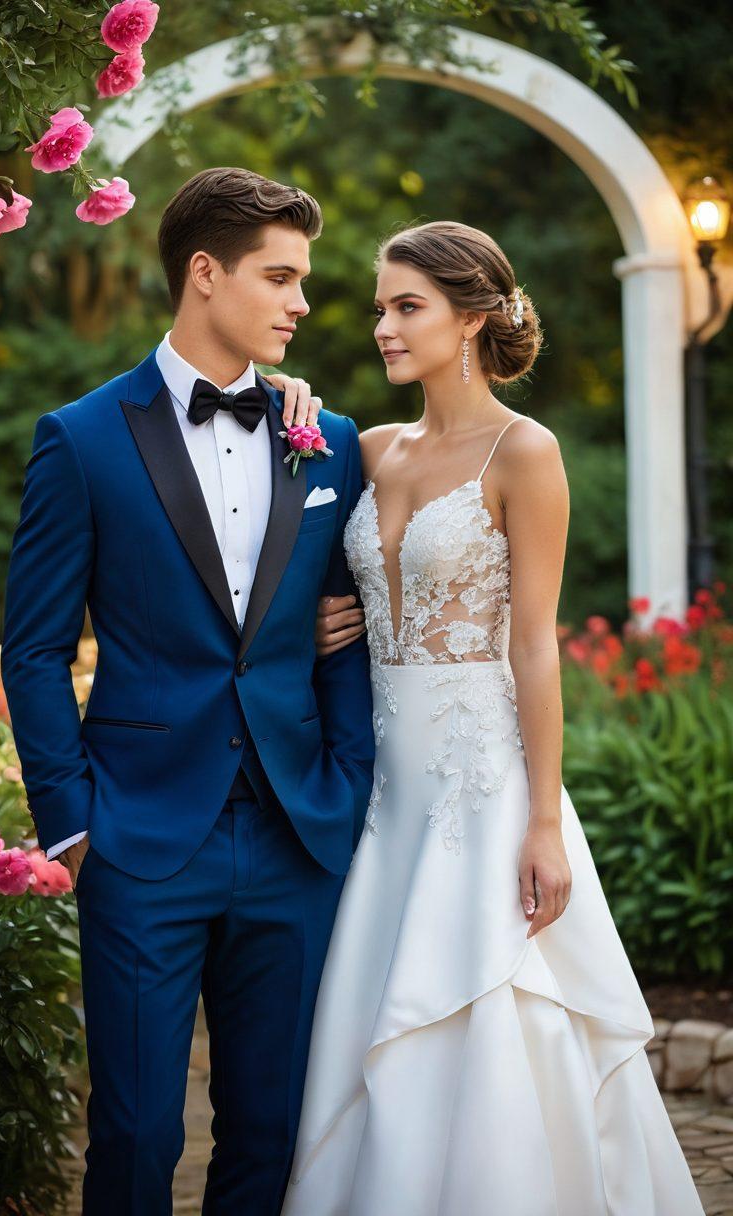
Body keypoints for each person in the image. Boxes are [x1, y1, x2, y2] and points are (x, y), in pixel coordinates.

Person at [278, 221, 704, 1215]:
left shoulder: (525, 450)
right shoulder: (366, 447)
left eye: (405, 306)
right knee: (374, 1002)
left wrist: (544, 821)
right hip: (378, 781)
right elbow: (288, 571)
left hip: (481, 776)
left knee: (489, 1002)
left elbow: (533, 646)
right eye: (380, 305)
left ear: (470, 317)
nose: (381, 324)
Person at [0, 166, 375, 1216]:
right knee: (134, 1131)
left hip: (296, 833)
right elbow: (30, 649)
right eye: (280, 276)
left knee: (268, 1132)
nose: (300, 302)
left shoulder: (329, 440)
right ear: (204, 274)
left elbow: (345, 632)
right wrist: (71, 825)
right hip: (139, 837)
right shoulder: (77, 438)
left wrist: (343, 787)